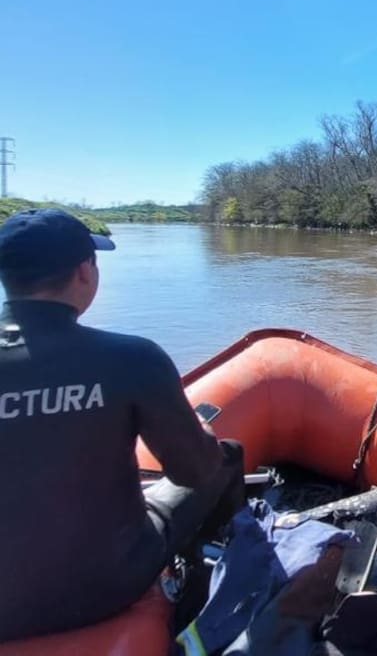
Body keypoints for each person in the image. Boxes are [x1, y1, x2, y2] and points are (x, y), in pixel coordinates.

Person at [0, 209, 244, 643]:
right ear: (84, 270)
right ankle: (203, 588)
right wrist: (203, 437)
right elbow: (193, 471)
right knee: (224, 458)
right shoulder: (132, 359)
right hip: (104, 587)